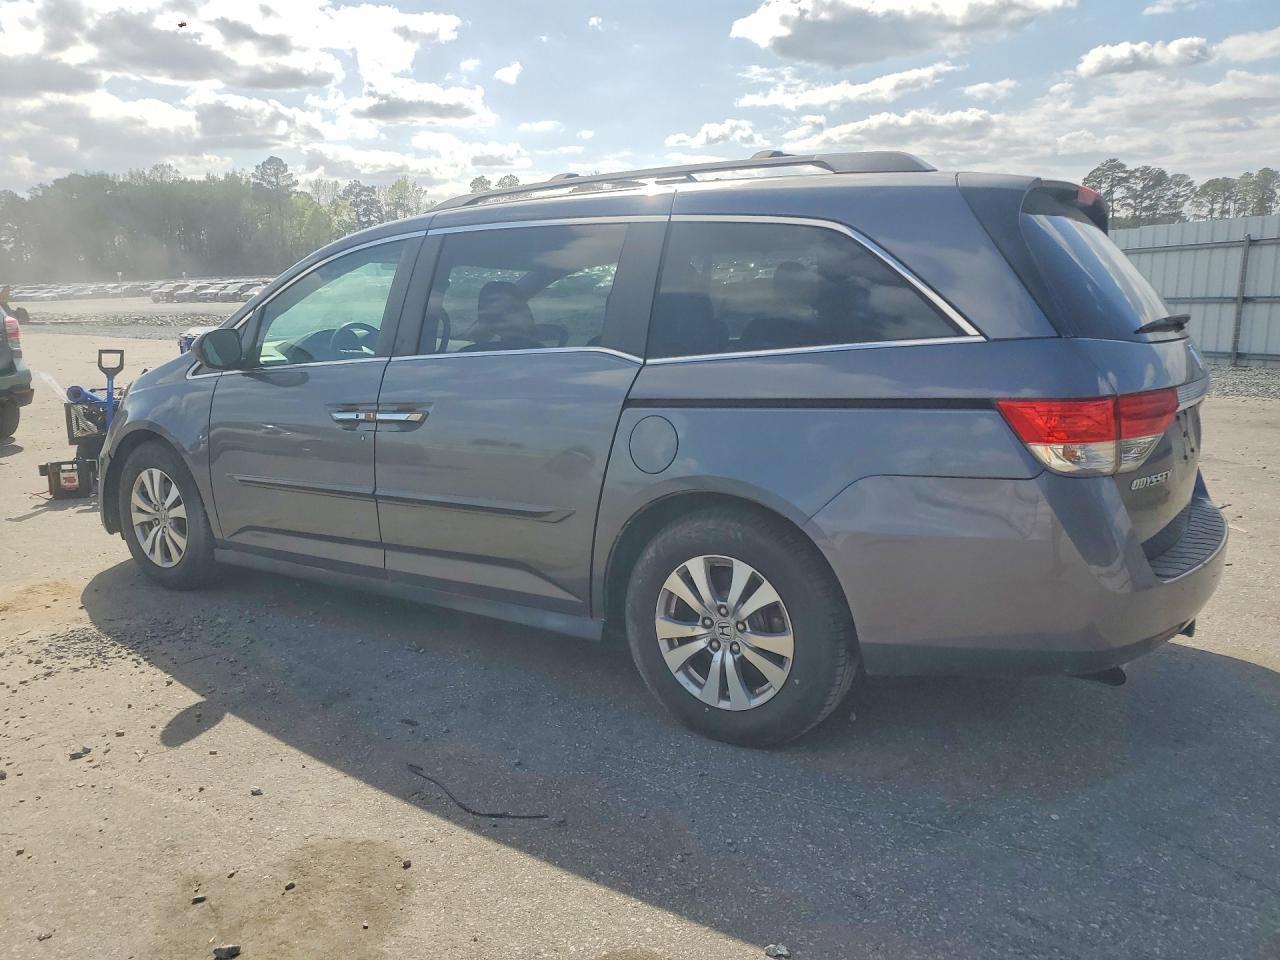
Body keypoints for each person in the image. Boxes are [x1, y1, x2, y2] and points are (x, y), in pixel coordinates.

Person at [460, 281, 544, 352]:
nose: (504, 320)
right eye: (496, 314)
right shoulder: (543, 354)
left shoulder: (465, 355)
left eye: (510, 310)